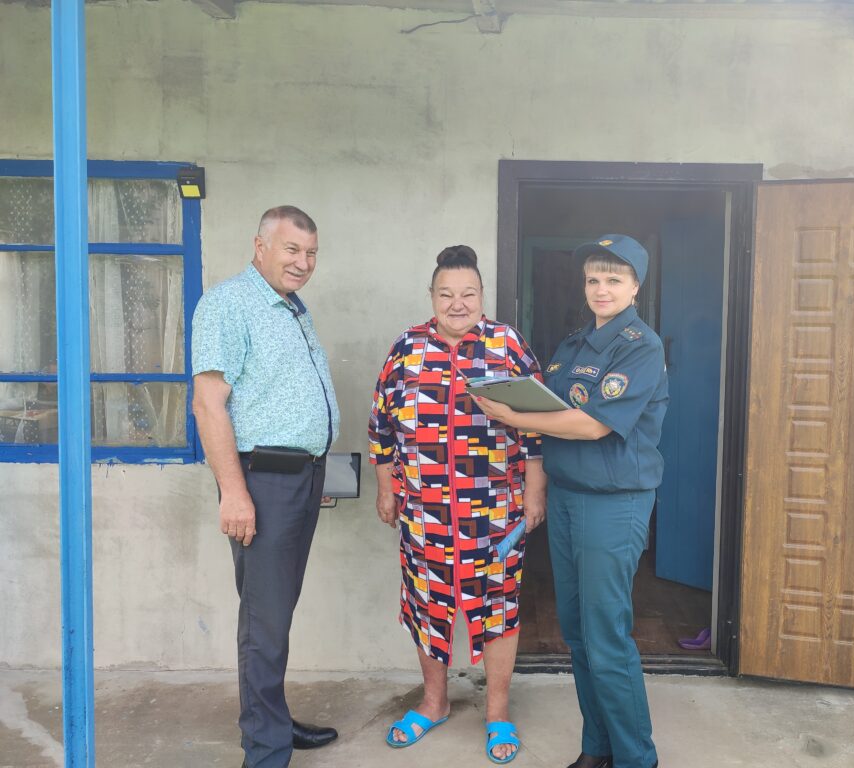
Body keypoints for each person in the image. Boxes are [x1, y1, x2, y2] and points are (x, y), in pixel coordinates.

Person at [474, 235, 667, 768]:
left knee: (606, 638)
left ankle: (636, 758)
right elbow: (555, 407)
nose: (601, 289)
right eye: (593, 279)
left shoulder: (641, 346)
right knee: (578, 635)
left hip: (613, 504)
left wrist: (514, 417)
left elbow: (592, 424)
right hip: (567, 498)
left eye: (613, 280)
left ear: (635, 287)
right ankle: (597, 747)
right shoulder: (573, 345)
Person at [368, 245, 547, 764]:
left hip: (493, 511)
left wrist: (535, 489)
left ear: (482, 296)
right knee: (427, 606)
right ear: (432, 296)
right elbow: (381, 426)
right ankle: (434, 702)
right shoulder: (406, 348)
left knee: (498, 609)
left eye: (468, 293)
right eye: (446, 294)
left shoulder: (506, 345)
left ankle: (497, 713)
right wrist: (386, 487)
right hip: (424, 512)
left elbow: (537, 424)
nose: (457, 303)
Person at [191, 206, 341, 768]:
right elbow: (208, 405)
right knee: (264, 621)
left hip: (301, 478)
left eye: (311, 253)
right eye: (291, 249)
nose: (303, 262)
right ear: (260, 247)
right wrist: (234, 492)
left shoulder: (292, 307)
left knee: (276, 614)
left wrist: (315, 466)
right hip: (262, 483)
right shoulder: (228, 304)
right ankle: (265, 751)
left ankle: (270, 720)